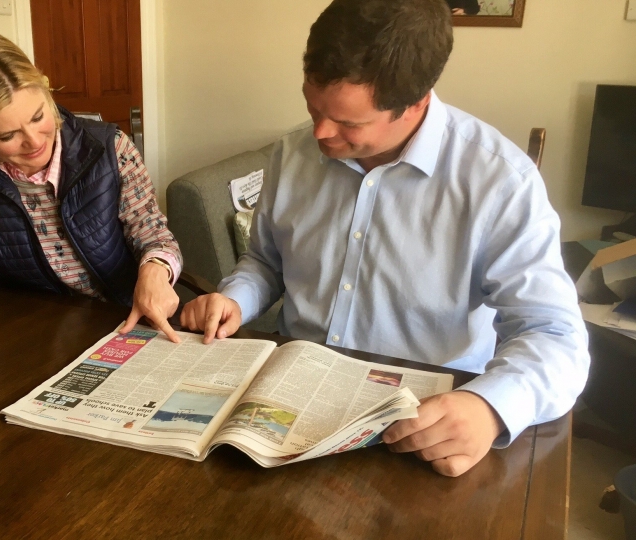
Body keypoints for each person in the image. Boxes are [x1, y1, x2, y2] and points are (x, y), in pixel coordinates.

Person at [181, 0, 589, 477]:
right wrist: (236, 299)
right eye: (313, 107)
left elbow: (555, 336)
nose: (320, 133)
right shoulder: (291, 154)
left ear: (416, 103)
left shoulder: (499, 182)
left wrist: (488, 407)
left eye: (349, 123)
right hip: (286, 406)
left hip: (419, 428)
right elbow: (266, 262)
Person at [0, 31, 183, 377]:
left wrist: (155, 269)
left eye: (37, 116)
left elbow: (154, 234)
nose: (33, 142)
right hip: (39, 338)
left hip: (126, 322)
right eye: (6, 135)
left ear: (46, 92)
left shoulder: (110, 148)